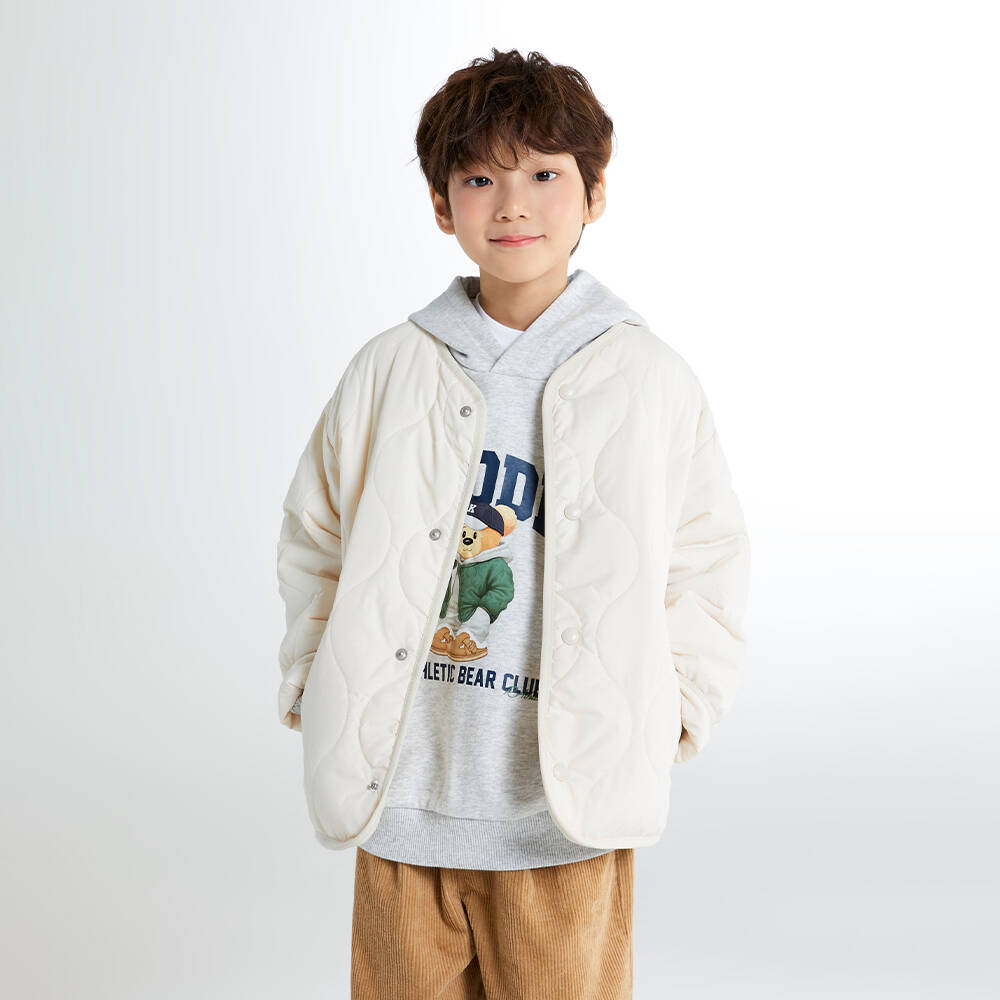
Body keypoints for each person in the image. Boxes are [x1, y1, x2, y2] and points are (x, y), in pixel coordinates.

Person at [276, 47, 751, 1000]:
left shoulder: (647, 378)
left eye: (543, 174)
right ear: (441, 205)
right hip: (402, 801)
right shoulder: (391, 369)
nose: (512, 205)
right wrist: (314, 684)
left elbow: (706, 556)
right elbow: (315, 539)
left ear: (595, 193)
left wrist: (674, 710)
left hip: (561, 817)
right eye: (479, 179)